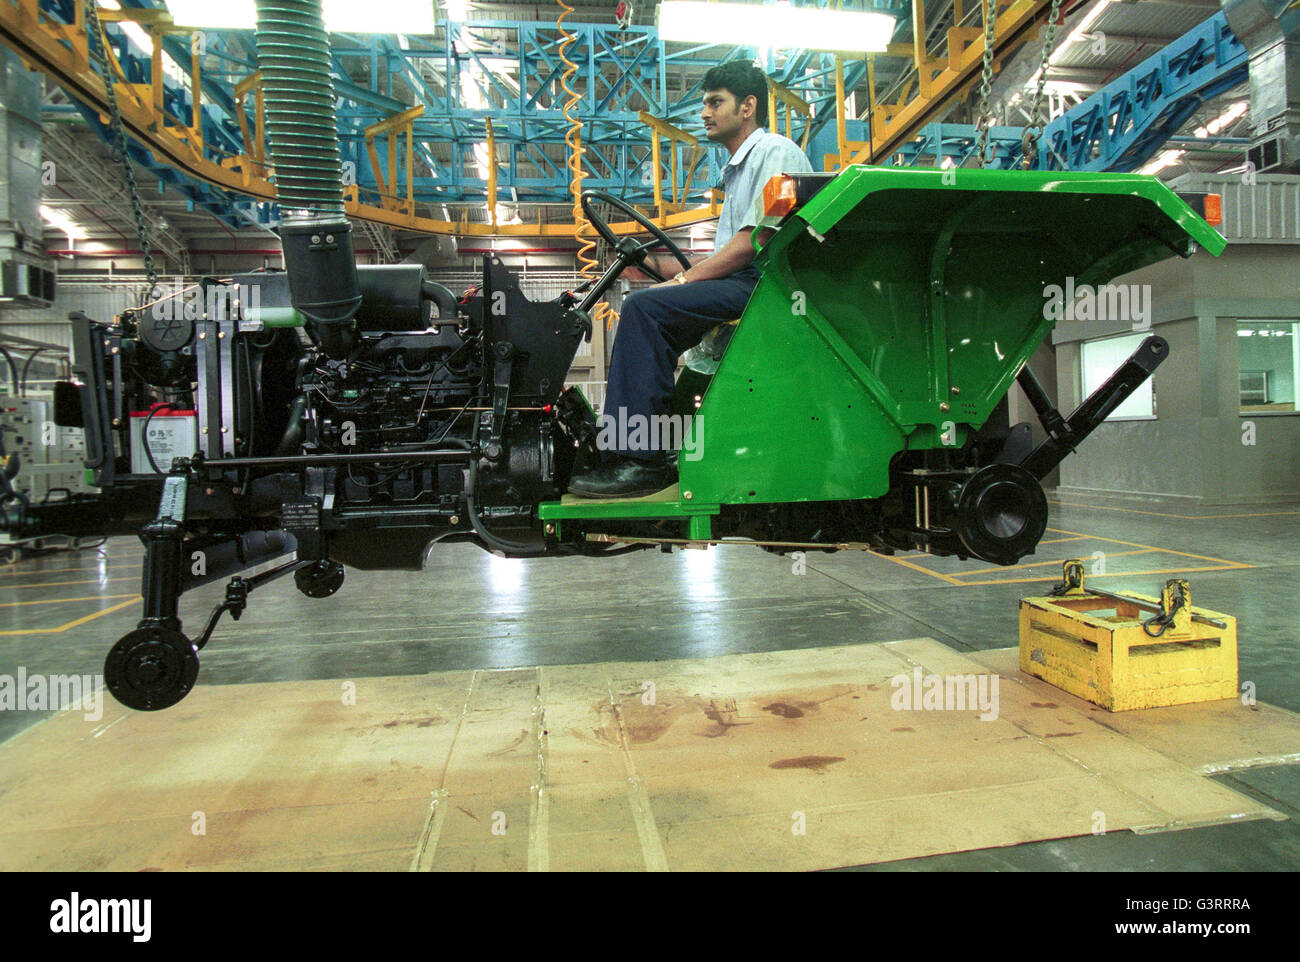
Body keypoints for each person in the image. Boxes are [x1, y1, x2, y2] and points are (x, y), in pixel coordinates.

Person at [567, 60, 813, 498]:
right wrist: (651, 266)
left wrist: (679, 285)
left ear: (747, 107)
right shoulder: (738, 172)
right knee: (649, 302)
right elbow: (722, 256)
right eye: (703, 103)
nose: (704, 112)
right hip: (745, 282)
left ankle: (638, 459)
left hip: (769, 286)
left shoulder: (778, 154)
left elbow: (754, 243)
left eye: (715, 102)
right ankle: (639, 447)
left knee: (644, 311)